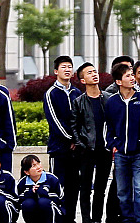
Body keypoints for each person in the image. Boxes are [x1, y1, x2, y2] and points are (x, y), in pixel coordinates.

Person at [73, 61, 114, 223]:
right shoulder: (79, 101)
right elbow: (74, 126)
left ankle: (97, 219)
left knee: (100, 188)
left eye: (94, 71)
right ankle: (86, 219)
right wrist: (80, 144)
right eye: (89, 73)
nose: (94, 74)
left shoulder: (109, 98)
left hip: (105, 149)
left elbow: (114, 123)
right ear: (83, 80)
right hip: (87, 150)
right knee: (85, 188)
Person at [106, 63, 140, 223]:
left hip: (139, 153)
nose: (132, 78)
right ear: (118, 81)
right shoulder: (112, 102)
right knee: (122, 191)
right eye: (128, 76)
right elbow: (108, 127)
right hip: (121, 154)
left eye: (132, 75)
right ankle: (127, 219)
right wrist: (113, 144)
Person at [44, 55, 81, 222]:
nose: (67, 70)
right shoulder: (51, 93)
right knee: (58, 186)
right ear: (55, 71)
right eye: (63, 67)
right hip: (59, 149)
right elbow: (54, 121)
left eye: (69, 67)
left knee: (74, 187)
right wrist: (71, 139)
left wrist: (78, 140)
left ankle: (71, 218)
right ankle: (58, 218)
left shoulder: (77, 92)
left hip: (76, 150)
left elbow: (82, 118)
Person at [19, 153, 66, 223]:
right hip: (35, 213)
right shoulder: (22, 182)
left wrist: (44, 193)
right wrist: (30, 193)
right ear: (26, 172)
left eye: (38, 163)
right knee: (28, 203)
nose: (38, 167)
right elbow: (18, 200)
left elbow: (61, 198)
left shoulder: (51, 178)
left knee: (43, 202)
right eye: (34, 166)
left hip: (54, 213)